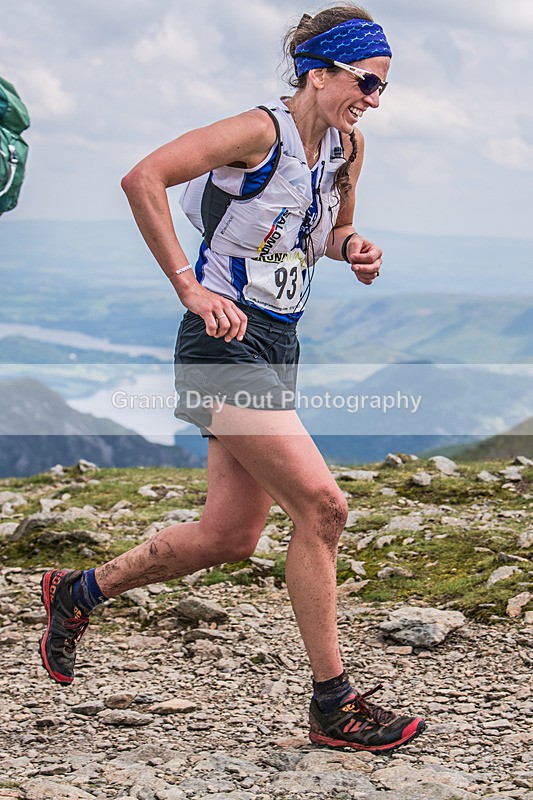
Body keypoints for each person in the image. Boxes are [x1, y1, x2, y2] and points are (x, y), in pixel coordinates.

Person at [39, 3, 426, 753]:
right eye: (366, 82)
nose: (373, 100)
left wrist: (355, 247)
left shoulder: (348, 147)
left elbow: (323, 233)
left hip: (276, 345)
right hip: (220, 347)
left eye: (381, 89)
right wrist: (189, 286)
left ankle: (78, 591)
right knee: (323, 508)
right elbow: (142, 176)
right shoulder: (258, 131)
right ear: (319, 72)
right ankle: (333, 705)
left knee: (228, 535)